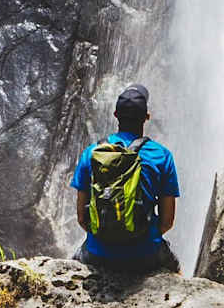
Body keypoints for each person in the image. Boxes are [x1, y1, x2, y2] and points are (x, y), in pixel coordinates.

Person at [70, 84, 181, 273]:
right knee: (174, 267)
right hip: (146, 254)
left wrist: (107, 239)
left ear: (115, 115)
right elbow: (167, 221)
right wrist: (138, 241)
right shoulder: (162, 156)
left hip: (99, 253)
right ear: (146, 118)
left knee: (73, 264)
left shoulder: (91, 153)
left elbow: (81, 217)